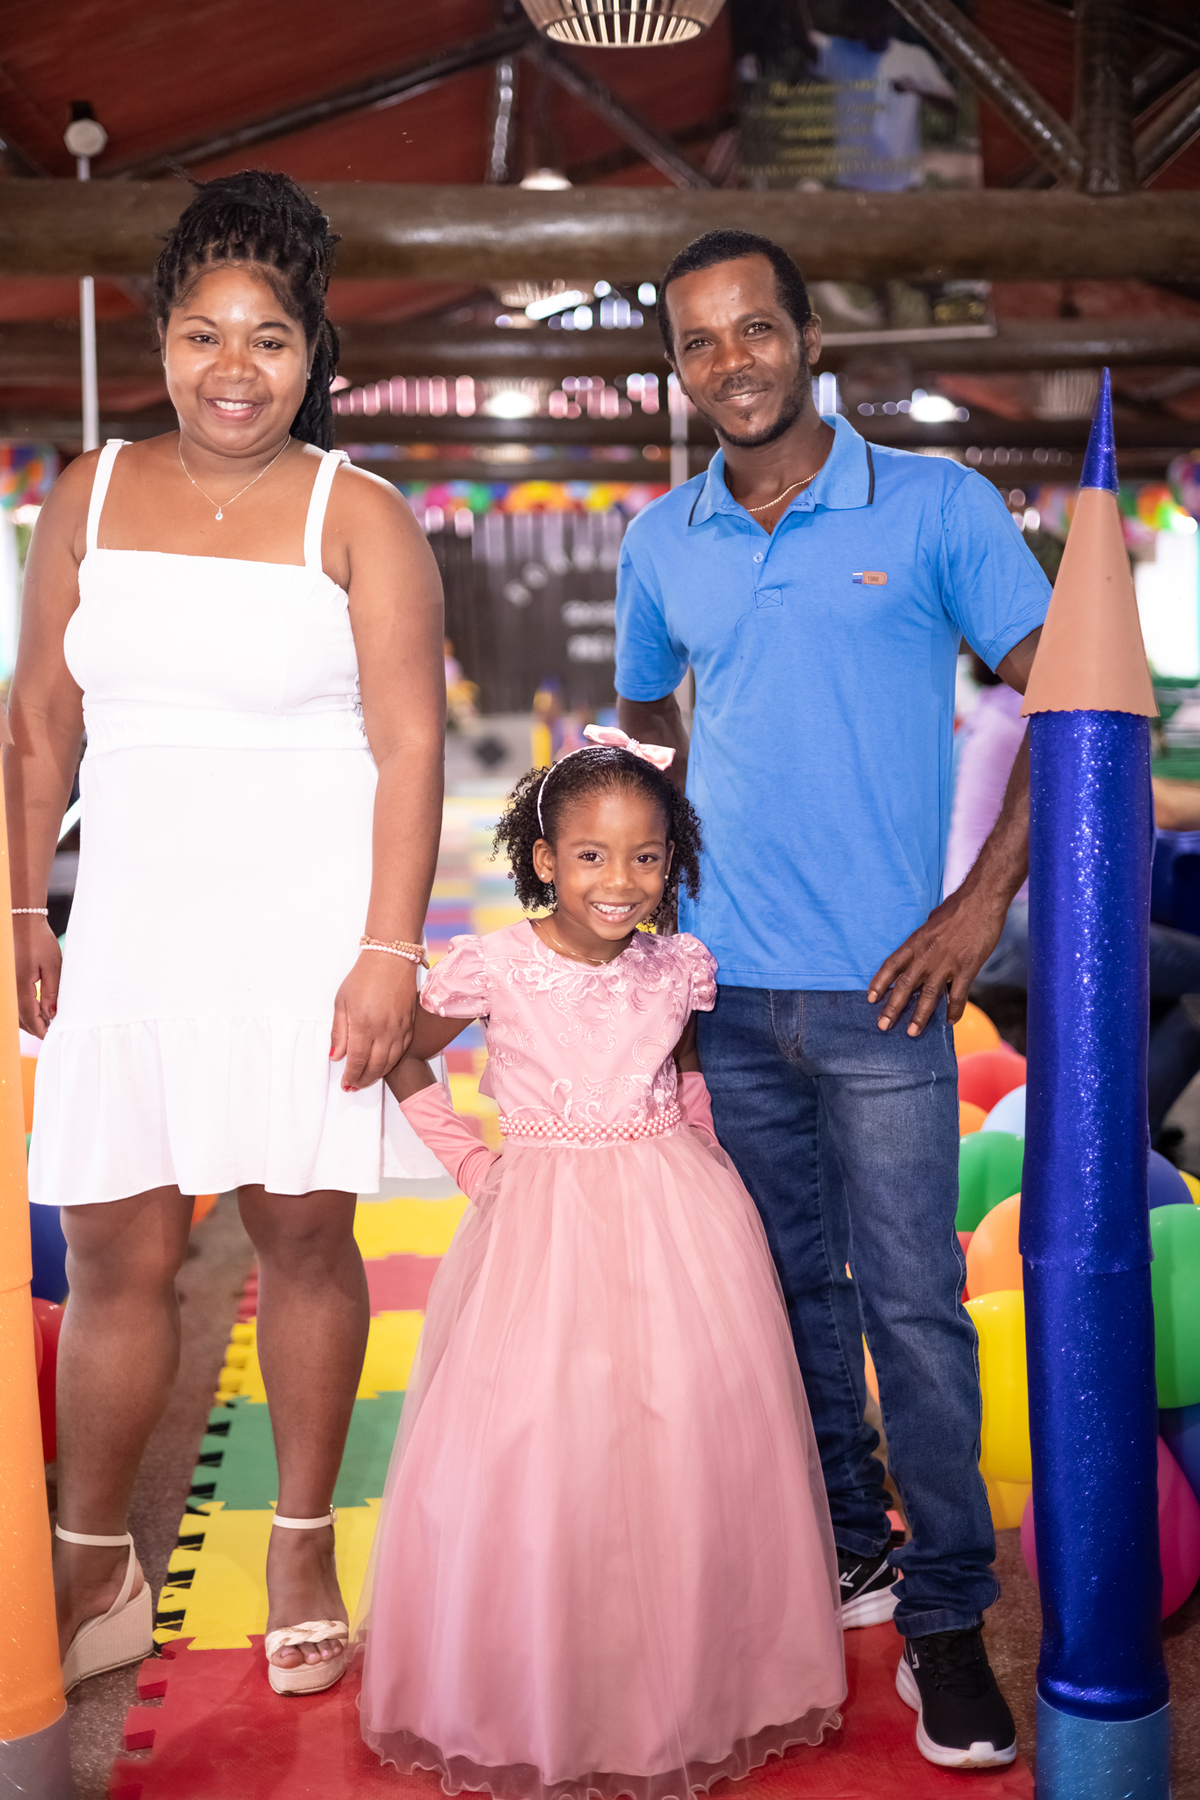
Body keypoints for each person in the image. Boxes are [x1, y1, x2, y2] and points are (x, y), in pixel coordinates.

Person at [615, 230, 1052, 1771]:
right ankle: (854, 1548)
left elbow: (1070, 693)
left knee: (916, 1311)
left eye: (754, 329)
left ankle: (947, 1613)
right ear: (679, 369)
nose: (730, 362)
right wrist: (645, 916)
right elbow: (646, 723)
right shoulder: (661, 540)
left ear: (809, 338)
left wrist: (979, 903)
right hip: (722, 992)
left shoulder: (934, 505)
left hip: (889, 995)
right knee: (788, 1291)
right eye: (699, 342)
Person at [5, 170, 446, 1698]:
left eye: (269, 337)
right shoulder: (88, 493)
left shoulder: (360, 514)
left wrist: (387, 953)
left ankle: (302, 1545)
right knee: (111, 1247)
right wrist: (20, 902)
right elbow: (39, 722)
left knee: (302, 1237)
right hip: (133, 929)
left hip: (302, 939)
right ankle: (94, 1567)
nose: (234, 368)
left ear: (314, 351)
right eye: (204, 334)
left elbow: (412, 749)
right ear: (163, 340)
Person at [358, 729, 846, 1798]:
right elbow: (400, 1055)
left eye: (645, 857)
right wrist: (471, 1163)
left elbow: (684, 1073)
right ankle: (550, 1678)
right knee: (542, 1437)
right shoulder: (497, 963)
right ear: (544, 859)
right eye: (591, 855)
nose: (620, 881)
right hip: (543, 1221)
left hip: (676, 1211)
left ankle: (684, 1672)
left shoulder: (679, 966)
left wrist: (710, 1174)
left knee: (681, 1433)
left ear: (672, 862)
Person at [955, 656, 1200, 1147]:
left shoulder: (998, 708)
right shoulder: (1037, 715)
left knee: (1163, 979)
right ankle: (1125, 1140)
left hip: (990, 921)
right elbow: (1164, 808)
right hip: (1014, 924)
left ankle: (1122, 1131)